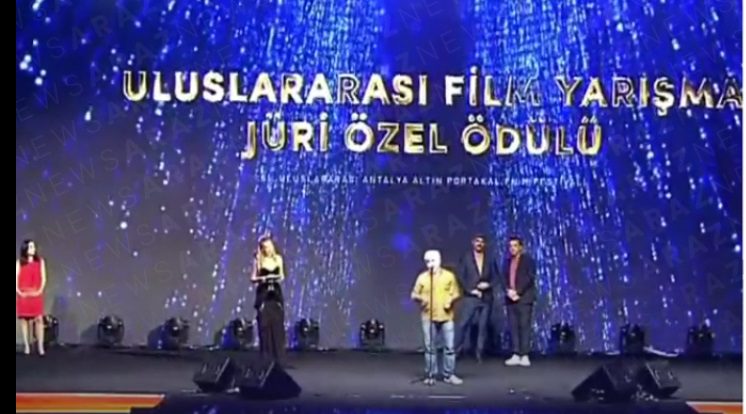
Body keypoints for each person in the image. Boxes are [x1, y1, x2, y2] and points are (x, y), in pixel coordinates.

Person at [411, 249, 462, 385]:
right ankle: (431, 374)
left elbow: (456, 292)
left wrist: (450, 301)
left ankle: (449, 375)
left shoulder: (449, 276)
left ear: (439, 261)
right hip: (428, 316)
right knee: (430, 348)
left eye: (432, 261)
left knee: (449, 347)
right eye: (427, 261)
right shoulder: (422, 278)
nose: (430, 264)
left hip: (446, 316)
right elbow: (414, 294)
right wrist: (421, 299)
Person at [455, 234, 499, 363]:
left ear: (485, 244)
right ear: (473, 242)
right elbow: (460, 276)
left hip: (486, 298)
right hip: (471, 297)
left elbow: (496, 277)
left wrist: (488, 285)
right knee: (463, 324)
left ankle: (479, 353)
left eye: (482, 241)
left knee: (483, 326)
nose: (479, 243)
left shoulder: (490, 259)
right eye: (477, 241)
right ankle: (456, 351)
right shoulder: (466, 258)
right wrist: (471, 290)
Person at [251, 235, 286, 363]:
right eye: (266, 247)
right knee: (265, 325)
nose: (268, 249)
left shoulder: (278, 259)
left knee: (277, 325)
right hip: (264, 293)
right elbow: (253, 278)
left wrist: (275, 278)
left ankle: (279, 358)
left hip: (275, 293)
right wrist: (263, 279)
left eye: (270, 246)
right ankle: (266, 358)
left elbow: (282, 276)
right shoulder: (259, 260)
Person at [502, 236, 536, 367]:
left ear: (521, 247)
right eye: (510, 246)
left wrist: (518, 292)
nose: (512, 248)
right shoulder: (507, 261)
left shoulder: (528, 260)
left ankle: (525, 354)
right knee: (513, 327)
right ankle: (516, 353)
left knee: (524, 326)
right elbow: (503, 278)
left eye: (515, 246)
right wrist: (508, 291)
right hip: (510, 298)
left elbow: (530, 277)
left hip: (524, 298)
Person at [16, 239, 47, 356]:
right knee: (24, 321)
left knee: (39, 319)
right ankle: (27, 346)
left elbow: (43, 278)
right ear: (25, 249)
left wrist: (39, 291)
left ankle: (40, 347)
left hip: (36, 294)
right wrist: (19, 292)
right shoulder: (19, 263)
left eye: (33, 247)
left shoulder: (40, 262)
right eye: (30, 247)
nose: (33, 249)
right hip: (23, 295)